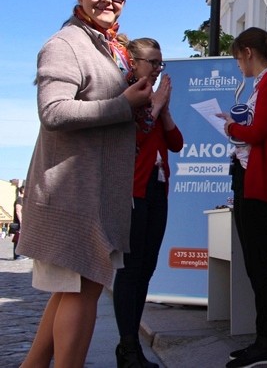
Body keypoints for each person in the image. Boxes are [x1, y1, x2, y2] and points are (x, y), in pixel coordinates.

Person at [18, 0, 152, 368]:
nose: (108, 0)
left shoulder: (106, 48)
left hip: (92, 193)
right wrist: (124, 105)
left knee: (69, 290)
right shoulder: (66, 43)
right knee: (81, 292)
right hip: (72, 193)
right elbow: (53, 111)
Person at [217, 28, 267, 367]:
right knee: (254, 262)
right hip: (248, 175)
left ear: (246, 52)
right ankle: (263, 337)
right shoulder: (262, 85)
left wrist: (231, 128)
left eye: (237, 58)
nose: (237, 65)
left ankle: (266, 340)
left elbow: (258, 132)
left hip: (260, 181)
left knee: (259, 262)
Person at [113, 38, 183, 368]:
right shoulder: (125, 93)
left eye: (160, 63)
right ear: (134, 61)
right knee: (130, 269)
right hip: (132, 190)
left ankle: (131, 348)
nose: (157, 69)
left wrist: (164, 110)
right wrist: (154, 107)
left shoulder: (153, 97)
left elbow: (176, 143)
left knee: (147, 267)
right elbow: (132, 140)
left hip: (157, 189)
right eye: (152, 62)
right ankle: (127, 347)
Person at [12, 184, 24, 259]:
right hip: (19, 222)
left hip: (20, 222)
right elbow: (18, 210)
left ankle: (19, 254)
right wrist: (21, 221)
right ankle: (17, 255)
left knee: (19, 238)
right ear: (23, 191)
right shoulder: (20, 199)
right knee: (18, 238)